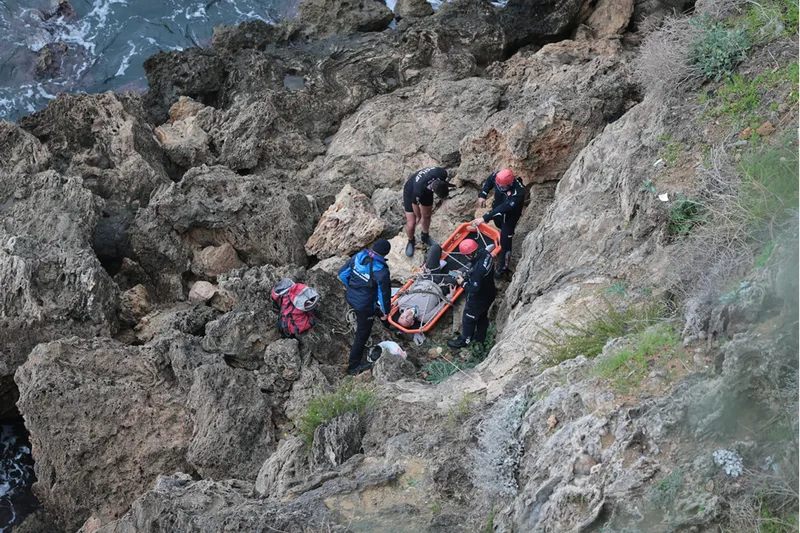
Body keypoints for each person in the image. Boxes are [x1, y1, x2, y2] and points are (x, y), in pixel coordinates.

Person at [338, 239, 392, 375]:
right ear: (386, 253)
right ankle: (353, 367)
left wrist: (352, 287)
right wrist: (386, 312)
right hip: (365, 306)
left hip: (351, 296)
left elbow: (342, 274)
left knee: (370, 313)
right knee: (362, 336)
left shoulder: (358, 257)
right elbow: (383, 295)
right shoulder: (381, 271)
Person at [471, 168, 525, 278]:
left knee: (505, 242)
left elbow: (503, 208)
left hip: (509, 217)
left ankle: (503, 268)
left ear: (510, 184)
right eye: (498, 185)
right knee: (498, 224)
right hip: (498, 209)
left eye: (503, 187)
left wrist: (484, 218)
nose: (500, 188)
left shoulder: (518, 193)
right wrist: (483, 194)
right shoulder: (498, 176)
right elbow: (489, 180)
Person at [447, 239, 496, 349]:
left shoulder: (477, 270)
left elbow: (473, 289)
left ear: (468, 255)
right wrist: (465, 273)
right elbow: (477, 271)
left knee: (469, 318)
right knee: (482, 316)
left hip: (478, 298)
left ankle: (465, 340)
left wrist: (462, 282)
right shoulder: (485, 254)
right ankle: (480, 338)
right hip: (489, 291)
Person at [403, 166, 453, 257]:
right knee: (411, 223)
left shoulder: (442, 173)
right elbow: (414, 204)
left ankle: (425, 235)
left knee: (427, 215)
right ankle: (410, 240)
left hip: (427, 190)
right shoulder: (418, 190)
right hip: (411, 191)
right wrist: (418, 216)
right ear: (433, 190)